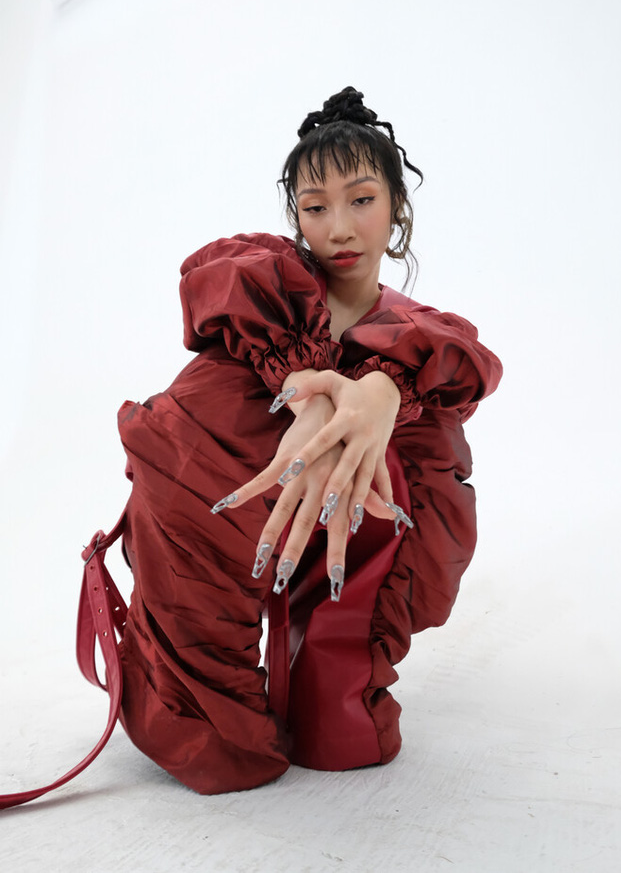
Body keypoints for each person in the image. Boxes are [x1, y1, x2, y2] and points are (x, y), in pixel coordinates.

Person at [115, 87, 503, 794]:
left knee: (341, 735)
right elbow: (217, 292)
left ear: (397, 207)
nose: (339, 228)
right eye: (315, 207)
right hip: (226, 520)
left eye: (362, 200)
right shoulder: (270, 298)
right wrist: (304, 384)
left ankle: (325, 669)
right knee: (216, 748)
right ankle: (204, 695)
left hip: (354, 547)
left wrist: (383, 390)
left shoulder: (419, 335)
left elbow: (452, 376)